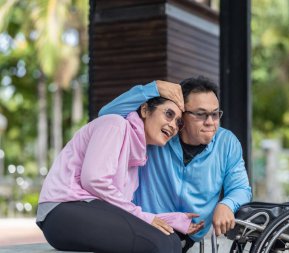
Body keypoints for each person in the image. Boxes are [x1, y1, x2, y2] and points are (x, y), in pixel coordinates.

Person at [36, 89, 204, 253]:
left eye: (178, 122)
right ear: (145, 110)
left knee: (172, 240)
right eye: (169, 114)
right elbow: (94, 180)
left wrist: (169, 220)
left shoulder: (136, 158)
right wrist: (146, 218)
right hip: (61, 211)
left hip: (83, 211)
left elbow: (120, 209)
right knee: (159, 244)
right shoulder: (115, 124)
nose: (173, 125)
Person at [99, 76, 252, 251]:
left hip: (190, 232)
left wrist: (227, 204)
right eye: (201, 114)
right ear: (182, 115)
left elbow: (241, 188)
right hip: (146, 223)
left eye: (215, 114)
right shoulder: (157, 135)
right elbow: (107, 113)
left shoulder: (227, 142)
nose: (210, 122)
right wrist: (154, 88)